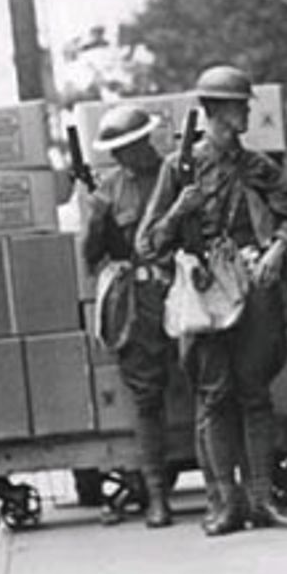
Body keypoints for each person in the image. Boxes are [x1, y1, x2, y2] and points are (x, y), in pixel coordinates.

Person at [136, 64, 287, 536]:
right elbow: (148, 244)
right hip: (204, 291)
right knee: (214, 397)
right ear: (216, 110)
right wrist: (179, 211)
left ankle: (262, 499)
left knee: (255, 394)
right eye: (238, 105)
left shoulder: (258, 167)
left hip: (251, 288)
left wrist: (276, 250)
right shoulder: (179, 168)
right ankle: (225, 504)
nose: (246, 112)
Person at [83, 105, 177, 528]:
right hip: (138, 302)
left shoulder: (176, 176)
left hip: (186, 288)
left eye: (129, 147)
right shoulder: (109, 190)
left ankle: (223, 490)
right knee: (147, 398)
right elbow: (91, 255)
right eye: (117, 151)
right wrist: (95, 216)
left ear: (145, 142)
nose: (123, 157)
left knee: (212, 388)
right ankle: (157, 496)